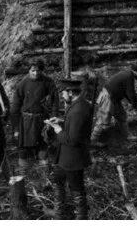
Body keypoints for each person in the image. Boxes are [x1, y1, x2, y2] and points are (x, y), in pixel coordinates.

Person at [47, 78, 93, 219]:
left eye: (63, 93)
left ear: (71, 92)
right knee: (57, 179)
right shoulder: (78, 104)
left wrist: (57, 129)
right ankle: (59, 212)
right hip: (65, 157)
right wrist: (62, 121)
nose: (62, 96)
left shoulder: (78, 110)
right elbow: (74, 125)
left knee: (77, 189)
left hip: (73, 158)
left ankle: (81, 217)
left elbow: (72, 140)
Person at [11, 59, 58, 178]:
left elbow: (54, 102)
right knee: (23, 149)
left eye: (38, 71)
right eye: (33, 71)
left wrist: (53, 119)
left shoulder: (48, 82)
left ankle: (44, 176)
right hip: (26, 121)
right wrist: (16, 127)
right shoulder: (23, 84)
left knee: (43, 146)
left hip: (43, 120)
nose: (35, 73)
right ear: (29, 70)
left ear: (41, 71)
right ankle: (22, 176)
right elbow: (15, 106)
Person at [90, 62, 137, 144]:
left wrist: (134, 103)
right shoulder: (129, 76)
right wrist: (136, 105)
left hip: (114, 98)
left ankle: (127, 136)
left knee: (121, 116)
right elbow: (131, 93)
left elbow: (127, 93)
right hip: (108, 97)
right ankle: (92, 142)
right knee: (102, 120)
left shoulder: (127, 74)